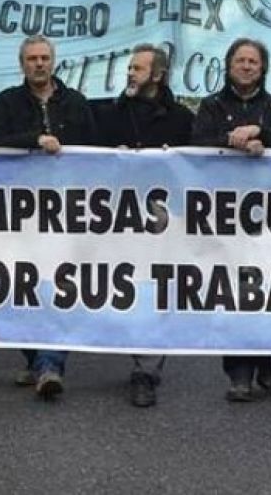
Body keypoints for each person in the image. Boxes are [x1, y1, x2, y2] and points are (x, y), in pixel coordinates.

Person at [0, 34, 98, 400]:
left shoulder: (76, 102)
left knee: (60, 286)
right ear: (22, 64)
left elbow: (96, 150)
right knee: (23, 287)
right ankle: (36, 359)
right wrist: (35, 140)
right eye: (32, 58)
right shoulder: (7, 101)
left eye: (44, 58)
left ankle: (50, 364)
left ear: (53, 61)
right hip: (21, 212)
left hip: (66, 211)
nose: (39, 64)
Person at [192, 37, 271, 403]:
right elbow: (197, 143)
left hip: (269, 214)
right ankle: (238, 372)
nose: (247, 66)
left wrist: (260, 132)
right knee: (231, 291)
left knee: (265, 288)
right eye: (241, 60)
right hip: (225, 214)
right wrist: (232, 141)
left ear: (263, 67)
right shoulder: (211, 105)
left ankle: (264, 358)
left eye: (253, 61)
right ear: (229, 65)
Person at [98, 43, 193, 407]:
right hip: (115, 218)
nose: (130, 73)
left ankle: (146, 371)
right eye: (130, 67)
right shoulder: (110, 114)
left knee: (154, 290)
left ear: (158, 75)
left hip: (161, 223)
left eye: (137, 68)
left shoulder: (181, 119)